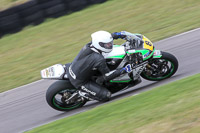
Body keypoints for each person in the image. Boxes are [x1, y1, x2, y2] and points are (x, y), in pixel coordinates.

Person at [65, 31, 142, 102]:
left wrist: (118, 35)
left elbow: (105, 39)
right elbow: (107, 76)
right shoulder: (99, 59)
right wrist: (124, 69)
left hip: (72, 68)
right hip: (81, 81)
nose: (110, 45)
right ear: (100, 45)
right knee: (106, 96)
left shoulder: (89, 45)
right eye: (107, 44)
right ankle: (82, 94)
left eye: (110, 43)